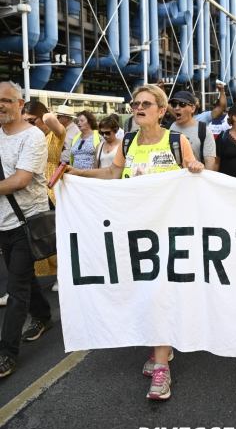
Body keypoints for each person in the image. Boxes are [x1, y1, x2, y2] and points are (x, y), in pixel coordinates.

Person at [66, 84, 203, 400]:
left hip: (168, 234)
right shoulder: (127, 141)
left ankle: (161, 370)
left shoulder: (175, 140)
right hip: (135, 232)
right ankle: (162, 350)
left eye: (145, 103)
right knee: (143, 293)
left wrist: (195, 167)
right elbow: (112, 176)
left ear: (159, 108)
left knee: (160, 296)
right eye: (134, 103)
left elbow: (193, 179)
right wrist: (76, 174)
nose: (138, 108)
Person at [0, 82, 52, 378]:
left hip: (26, 222)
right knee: (23, 276)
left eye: (6, 100)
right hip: (3, 222)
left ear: (21, 104)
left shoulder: (33, 137)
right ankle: (44, 316)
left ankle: (7, 351)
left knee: (15, 287)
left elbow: (20, 181)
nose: (1, 105)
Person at [22, 101, 66, 288]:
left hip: (50, 190)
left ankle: (62, 276)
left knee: (54, 237)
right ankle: (21, 285)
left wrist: (46, 114)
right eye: (25, 121)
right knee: (30, 239)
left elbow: (50, 119)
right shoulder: (25, 137)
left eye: (32, 121)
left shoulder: (53, 136)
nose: (28, 125)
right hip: (29, 191)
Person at [169, 90, 216, 169]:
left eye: (182, 104)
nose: (177, 108)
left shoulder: (204, 131)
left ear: (193, 108)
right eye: (174, 104)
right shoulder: (168, 128)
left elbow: (210, 163)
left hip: (195, 178)